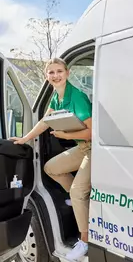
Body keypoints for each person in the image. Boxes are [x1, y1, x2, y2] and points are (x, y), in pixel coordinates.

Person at [10, 58, 92, 261]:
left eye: (59, 72)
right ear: (47, 77)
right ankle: (81, 201)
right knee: (51, 167)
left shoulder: (77, 97)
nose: (55, 76)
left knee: (76, 191)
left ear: (67, 73)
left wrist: (64, 136)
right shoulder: (56, 97)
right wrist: (25, 138)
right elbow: (45, 122)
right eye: (51, 73)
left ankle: (84, 241)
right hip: (82, 148)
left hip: (94, 149)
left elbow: (92, 132)